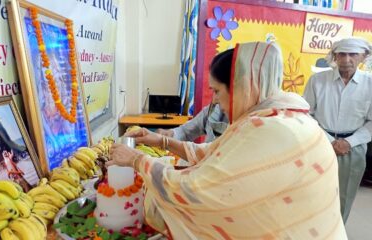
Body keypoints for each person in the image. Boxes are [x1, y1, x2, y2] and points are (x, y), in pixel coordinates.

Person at [108, 42, 347, 239]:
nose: (214, 100)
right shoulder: (278, 114)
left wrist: (138, 161)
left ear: (242, 87)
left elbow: (198, 190)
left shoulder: (270, 128)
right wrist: (161, 141)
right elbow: (215, 151)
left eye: (217, 91)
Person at [303, 37, 372, 223]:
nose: (346, 59)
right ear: (334, 55)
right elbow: (305, 113)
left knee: (344, 195)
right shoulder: (317, 80)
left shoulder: (370, 84)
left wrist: (349, 142)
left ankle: (335, 231)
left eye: (353, 54)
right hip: (319, 141)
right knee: (312, 190)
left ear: (363, 57)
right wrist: (329, 140)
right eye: (341, 54)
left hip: (354, 147)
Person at [156, 103, 229, 143]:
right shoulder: (212, 109)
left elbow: (208, 150)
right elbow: (186, 131)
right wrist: (171, 133)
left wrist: (168, 144)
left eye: (217, 91)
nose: (214, 99)